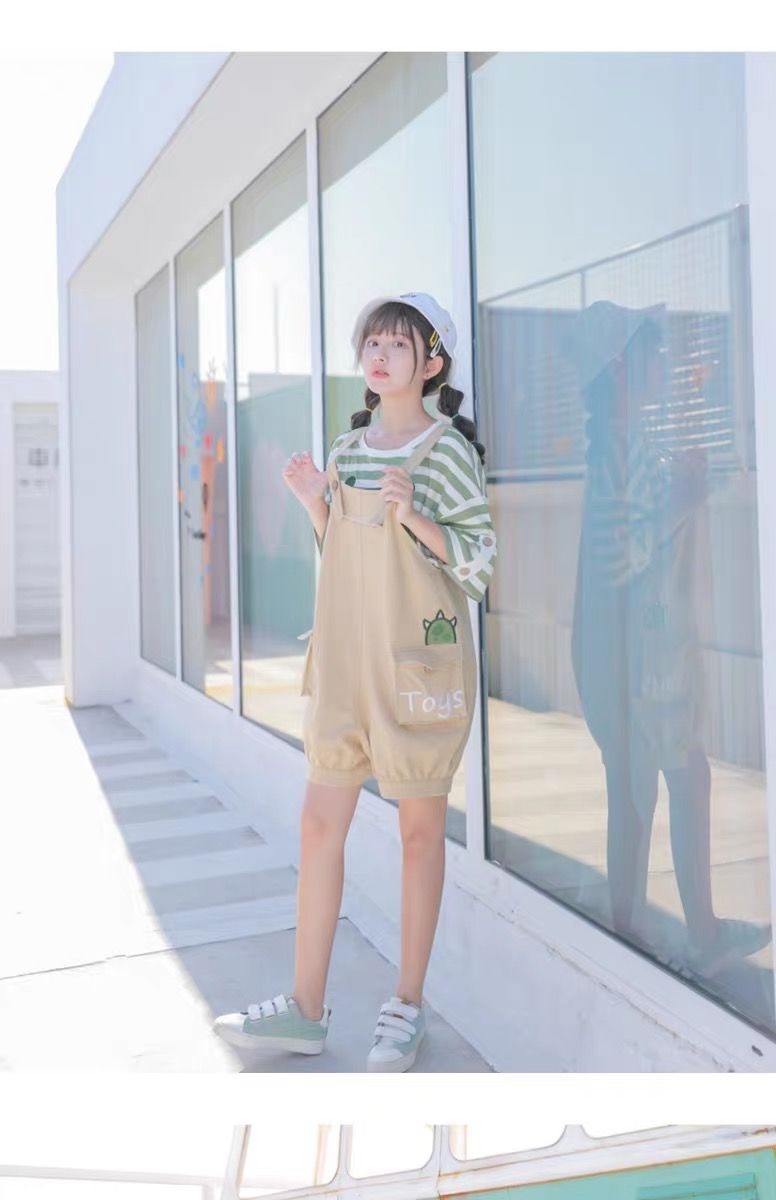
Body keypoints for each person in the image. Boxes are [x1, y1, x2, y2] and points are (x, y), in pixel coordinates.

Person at [213, 292, 497, 1071]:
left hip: (414, 667)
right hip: (344, 664)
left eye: (398, 343)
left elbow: (480, 563)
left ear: (431, 363)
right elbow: (339, 554)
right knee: (317, 826)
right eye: (372, 341)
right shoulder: (348, 449)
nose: (379, 353)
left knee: (417, 835)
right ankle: (305, 1009)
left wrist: (416, 517)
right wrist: (316, 502)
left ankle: (406, 1004)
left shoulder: (447, 452)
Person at [568, 299, 770, 977]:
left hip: (630, 654)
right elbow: (620, 558)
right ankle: (692, 934)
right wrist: (684, 499)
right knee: (676, 779)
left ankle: (629, 933)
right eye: (651, 352)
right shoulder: (620, 451)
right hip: (641, 657)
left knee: (641, 791)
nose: (663, 362)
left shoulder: (623, 444)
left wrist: (681, 490)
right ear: (621, 369)